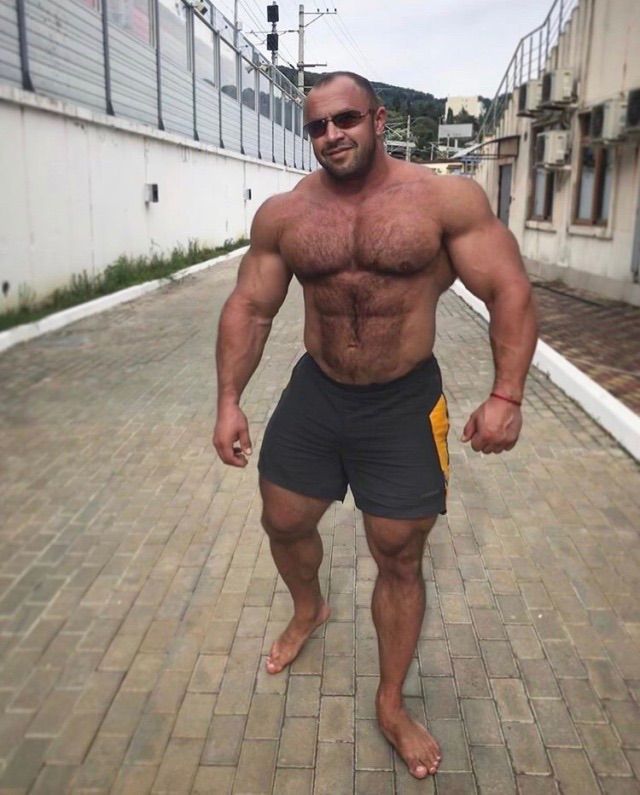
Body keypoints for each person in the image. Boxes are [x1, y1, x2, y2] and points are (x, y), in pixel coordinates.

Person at [213, 71, 537, 780]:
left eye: (346, 119)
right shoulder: (286, 214)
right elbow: (252, 308)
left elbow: (508, 287)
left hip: (402, 401)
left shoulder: (445, 200)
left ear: (379, 119)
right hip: (318, 391)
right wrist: (229, 399)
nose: (332, 135)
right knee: (282, 519)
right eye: (317, 126)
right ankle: (309, 609)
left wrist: (506, 394)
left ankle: (390, 702)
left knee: (398, 552)